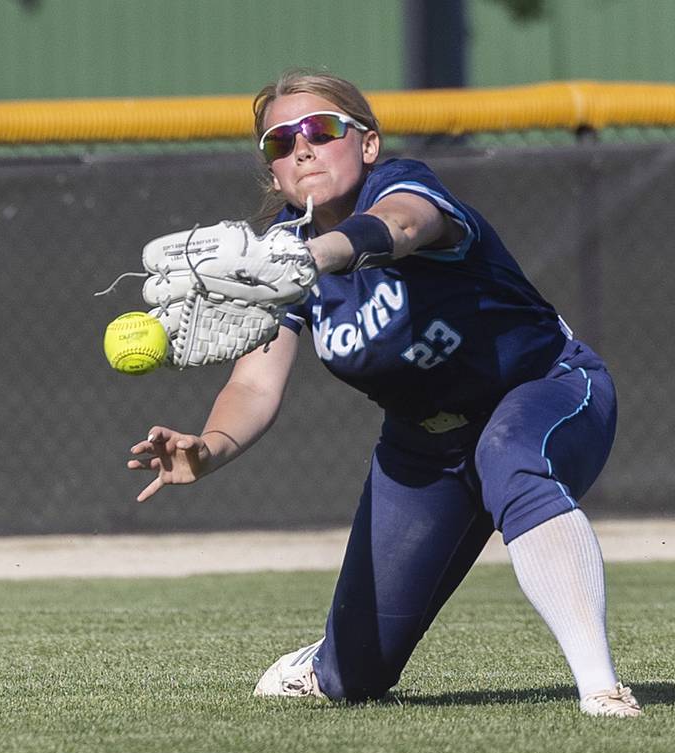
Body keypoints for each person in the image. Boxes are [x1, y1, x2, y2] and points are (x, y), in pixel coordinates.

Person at [128, 69, 641, 717]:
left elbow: (399, 228)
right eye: (279, 143)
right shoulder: (278, 257)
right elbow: (255, 383)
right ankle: (327, 658)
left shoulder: (402, 187)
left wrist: (314, 259)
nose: (302, 148)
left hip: (545, 388)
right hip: (424, 449)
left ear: (366, 143)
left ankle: (600, 687)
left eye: (320, 129)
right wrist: (206, 448)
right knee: (352, 678)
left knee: (511, 454)